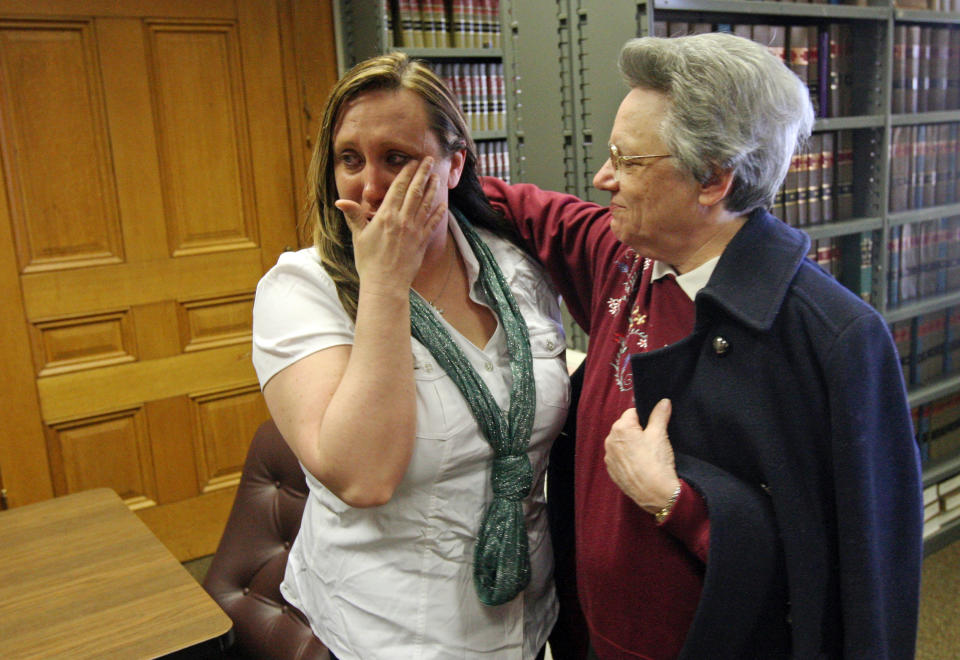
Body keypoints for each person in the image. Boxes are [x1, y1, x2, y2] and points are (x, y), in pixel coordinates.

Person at [482, 32, 923, 659]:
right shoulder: (625, 257)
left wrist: (673, 502)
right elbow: (529, 212)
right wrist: (430, 162)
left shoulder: (832, 338)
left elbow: (861, 573)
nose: (602, 176)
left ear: (715, 179)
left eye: (629, 161)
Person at [251, 52, 571, 659]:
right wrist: (385, 286)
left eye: (396, 158)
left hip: (529, 617)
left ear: (454, 165)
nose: (371, 186)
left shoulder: (514, 267)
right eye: (351, 159)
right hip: (392, 632)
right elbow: (363, 477)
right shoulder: (301, 290)